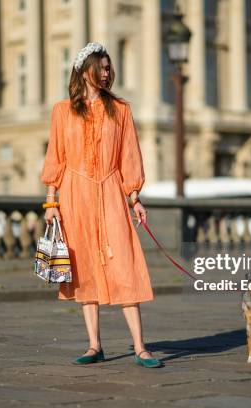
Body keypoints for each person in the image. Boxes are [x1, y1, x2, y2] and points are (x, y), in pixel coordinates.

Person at [40, 42, 162, 368]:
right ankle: (94, 345)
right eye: (102, 67)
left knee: (125, 263)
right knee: (83, 270)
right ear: (85, 71)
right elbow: (57, 160)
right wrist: (50, 203)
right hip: (73, 195)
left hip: (109, 191)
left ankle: (140, 347)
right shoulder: (61, 111)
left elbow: (129, 157)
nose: (107, 73)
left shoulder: (121, 110)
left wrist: (134, 197)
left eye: (109, 68)